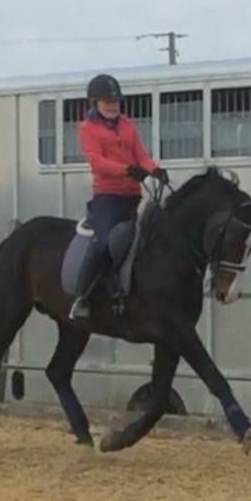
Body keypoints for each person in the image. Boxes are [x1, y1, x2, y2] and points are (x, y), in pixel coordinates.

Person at [69, 73, 169, 319]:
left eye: (116, 101)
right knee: (104, 243)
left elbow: (141, 155)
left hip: (132, 196)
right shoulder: (87, 128)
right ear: (95, 103)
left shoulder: (127, 124)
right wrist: (126, 169)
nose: (113, 106)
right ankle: (82, 296)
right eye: (108, 102)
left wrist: (153, 169)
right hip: (108, 198)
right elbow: (97, 162)